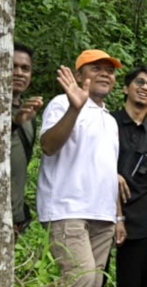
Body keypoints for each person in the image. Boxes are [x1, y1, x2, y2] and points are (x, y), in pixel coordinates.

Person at [38, 50, 123, 287]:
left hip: (102, 215)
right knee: (81, 279)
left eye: (110, 70)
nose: (105, 74)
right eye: (96, 68)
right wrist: (75, 109)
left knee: (94, 282)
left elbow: (108, 171)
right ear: (78, 76)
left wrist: (117, 216)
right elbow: (48, 146)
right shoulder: (62, 103)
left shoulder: (109, 119)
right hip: (68, 210)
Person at [112, 65, 147, 287]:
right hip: (101, 214)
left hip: (140, 221)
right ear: (125, 88)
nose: (145, 87)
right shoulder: (108, 122)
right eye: (139, 82)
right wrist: (110, 174)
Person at [11, 42, 43, 240]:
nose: (19, 73)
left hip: (13, 218)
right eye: (12, 66)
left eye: (25, 68)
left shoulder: (29, 116)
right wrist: (13, 124)